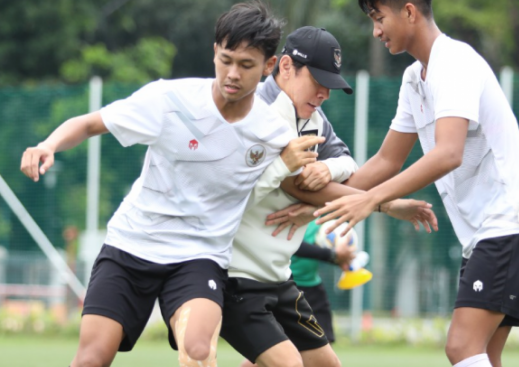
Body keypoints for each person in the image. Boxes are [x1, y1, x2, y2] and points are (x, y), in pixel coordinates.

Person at [20, 3, 324, 367]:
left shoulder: (273, 132)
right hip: (132, 245)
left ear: (268, 67)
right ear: (214, 52)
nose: (232, 73)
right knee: (91, 358)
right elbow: (89, 124)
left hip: (198, 258)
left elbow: (304, 186)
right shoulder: (170, 100)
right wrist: (47, 144)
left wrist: (379, 201)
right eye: (225, 59)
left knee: (197, 352)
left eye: (246, 65)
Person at [312, 1, 519, 367]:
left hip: (510, 224)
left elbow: (448, 154)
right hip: (488, 234)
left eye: (379, 18)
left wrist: (370, 199)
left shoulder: (454, 63)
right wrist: (321, 199)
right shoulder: (413, 80)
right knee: (484, 353)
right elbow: (386, 161)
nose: (376, 31)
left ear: (409, 12)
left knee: (461, 346)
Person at [220, 26, 437, 367]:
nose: (324, 93)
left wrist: (328, 169)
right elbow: (295, 185)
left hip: (276, 275)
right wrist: (389, 205)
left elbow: (347, 165)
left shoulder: (312, 118)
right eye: (318, 81)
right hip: (235, 273)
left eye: (330, 84)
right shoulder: (258, 111)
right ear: (287, 67)